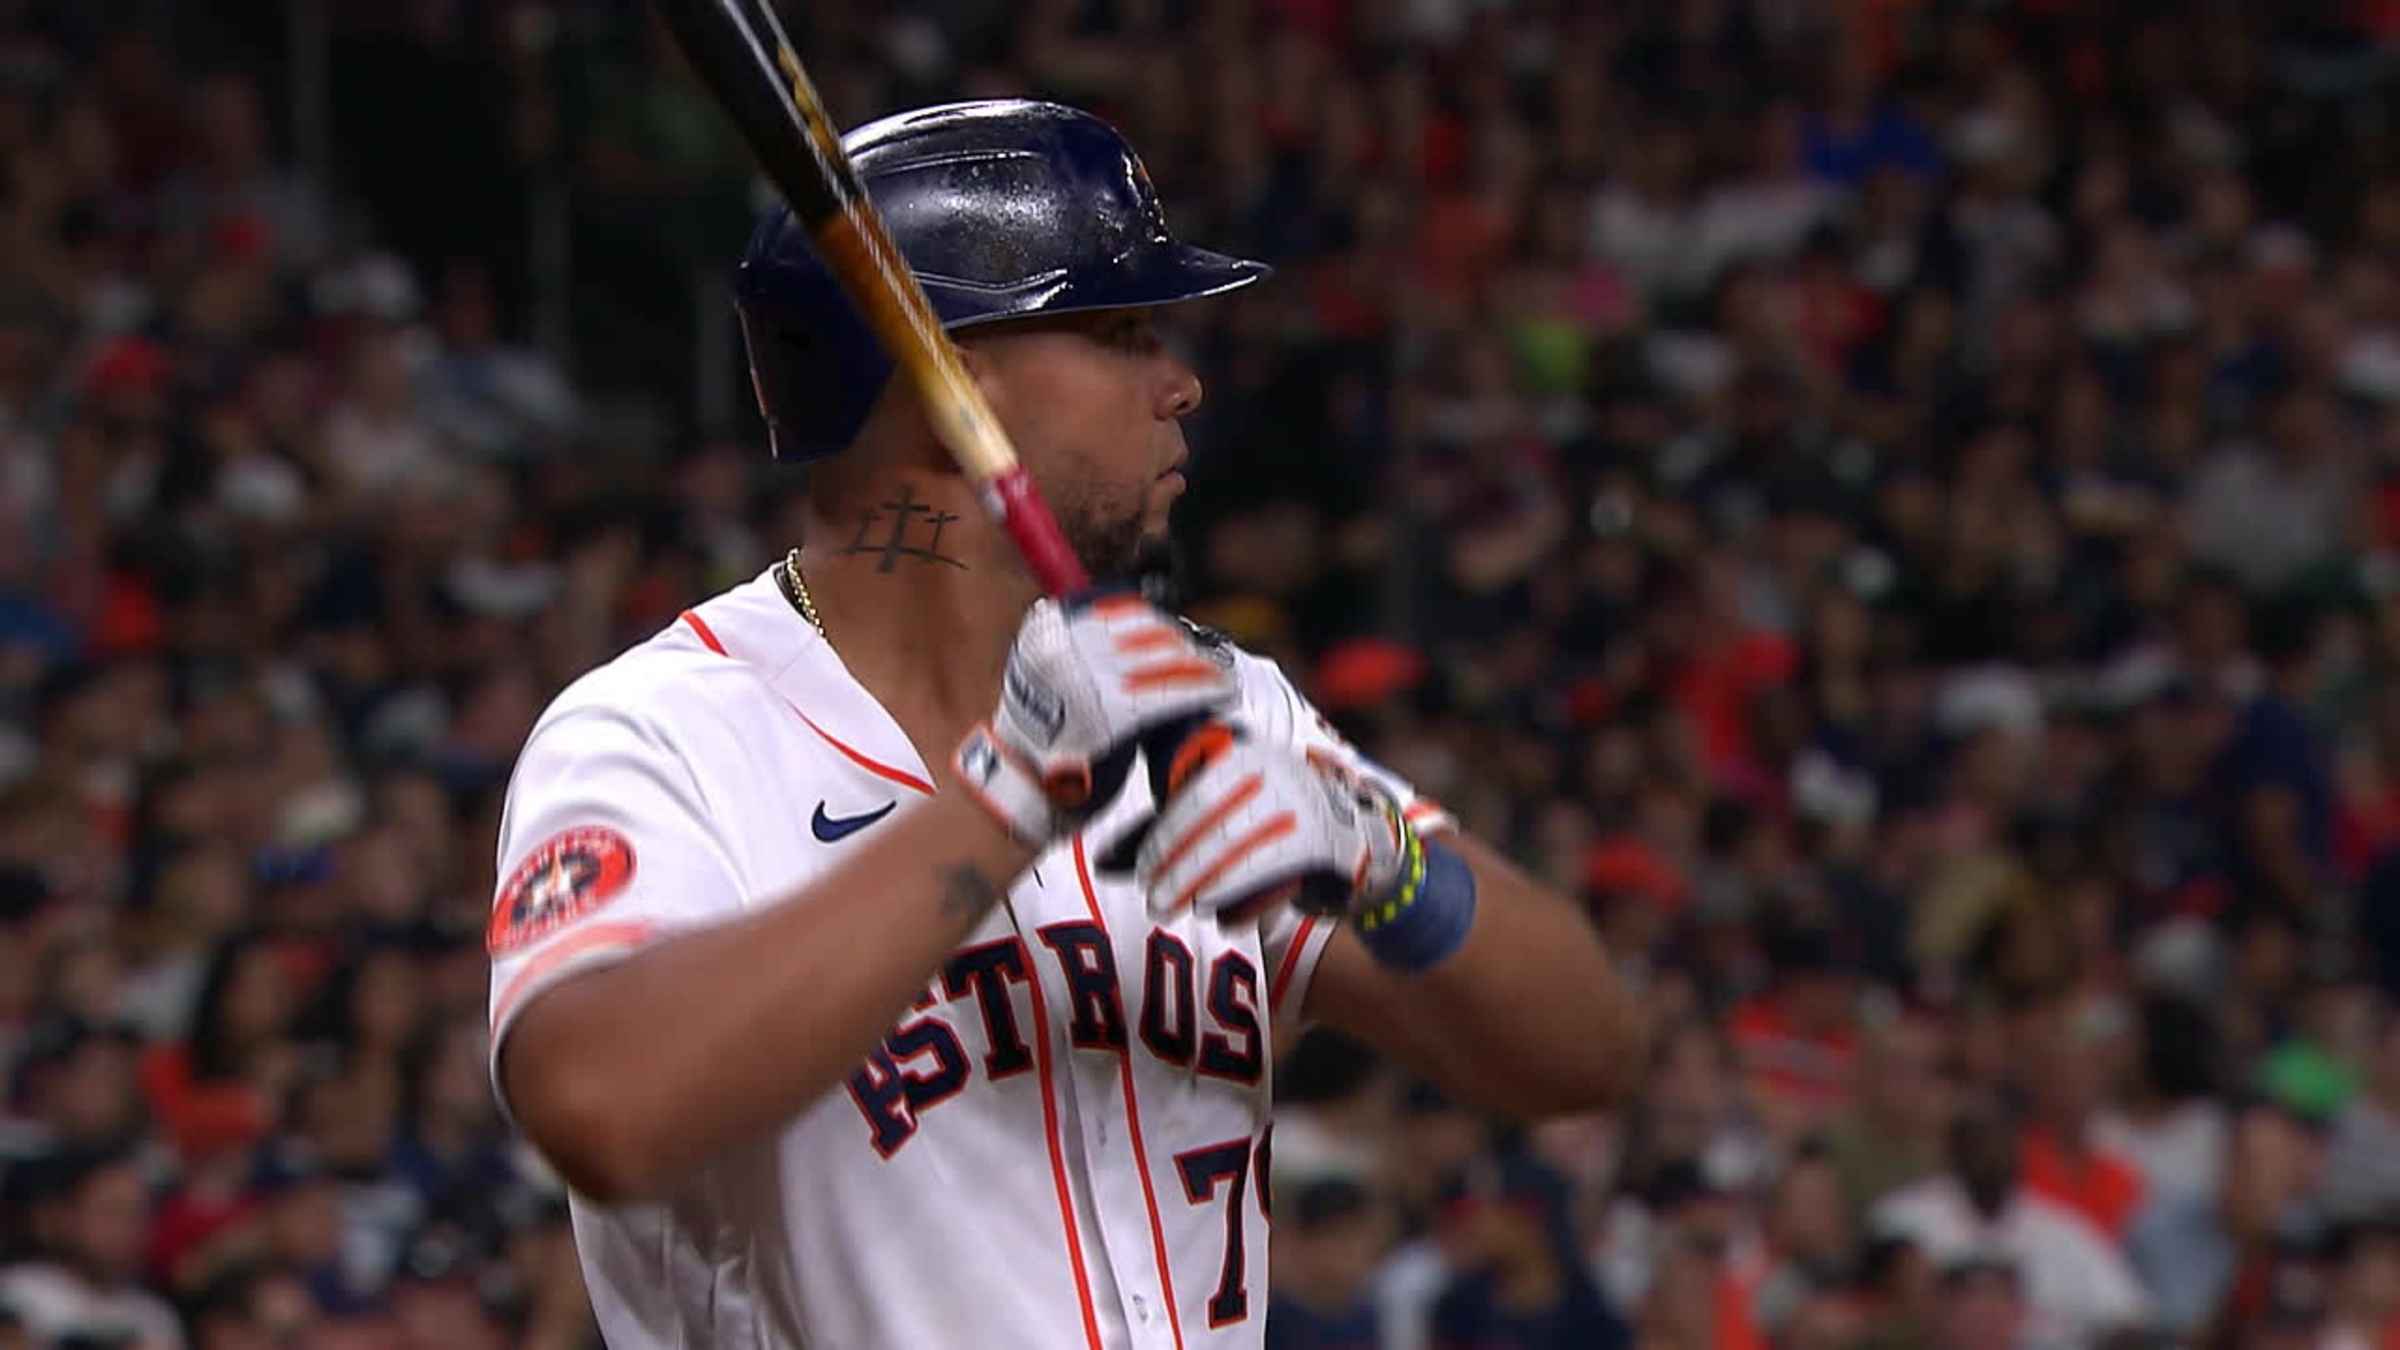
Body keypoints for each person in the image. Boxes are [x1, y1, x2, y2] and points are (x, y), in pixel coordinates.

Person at [486, 101, 1639, 1348]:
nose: (1181, 383)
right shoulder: (665, 732)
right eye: (1122, 332)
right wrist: (1010, 799)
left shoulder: (1205, 698)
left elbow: (1583, 1052)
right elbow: (601, 1107)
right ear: (952, 383)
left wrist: (1381, 856)